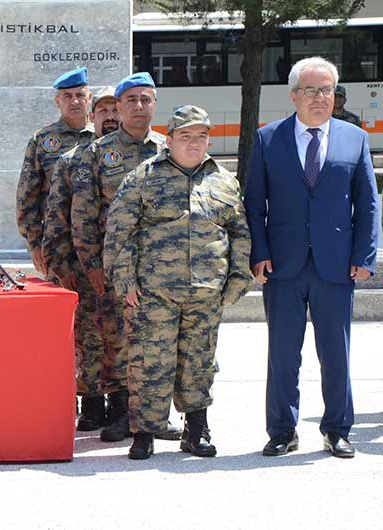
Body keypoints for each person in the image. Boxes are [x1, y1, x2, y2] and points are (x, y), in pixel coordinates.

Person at [244, 57, 380, 459]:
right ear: (293, 95)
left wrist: (364, 255)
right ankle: (282, 430)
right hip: (282, 266)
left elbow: (368, 203)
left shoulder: (354, 138)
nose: (320, 98)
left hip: (336, 265)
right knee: (283, 354)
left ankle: (337, 429)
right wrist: (259, 253)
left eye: (327, 90)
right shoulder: (269, 138)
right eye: (311, 90)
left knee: (336, 353)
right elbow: (254, 204)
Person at [104, 105, 252, 459]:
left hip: (206, 292)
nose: (194, 142)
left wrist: (236, 280)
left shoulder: (223, 180)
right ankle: (144, 433)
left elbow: (240, 233)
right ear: (168, 140)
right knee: (149, 362)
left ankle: (196, 431)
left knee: (198, 363)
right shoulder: (143, 177)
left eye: (201, 136)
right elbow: (119, 232)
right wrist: (125, 281)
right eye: (185, 136)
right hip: (153, 294)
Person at [71, 72, 181, 443]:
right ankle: (122, 413)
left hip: (162, 269)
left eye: (146, 100)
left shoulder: (169, 149)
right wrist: (93, 267)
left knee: (157, 343)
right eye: (131, 100)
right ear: (118, 107)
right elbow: (83, 216)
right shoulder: (97, 153)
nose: (139, 107)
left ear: (154, 105)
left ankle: (153, 416)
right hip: (116, 268)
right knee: (117, 343)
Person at [43, 86, 120, 430]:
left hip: (128, 268)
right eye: (102, 111)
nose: (110, 117)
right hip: (82, 268)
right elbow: (56, 217)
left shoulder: (150, 155)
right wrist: (58, 265)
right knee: (88, 339)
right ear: (92, 118)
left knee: (122, 339)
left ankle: (122, 404)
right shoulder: (71, 160)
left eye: (114, 110)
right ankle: (91, 405)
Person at [17, 66, 95, 278]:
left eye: (80, 95)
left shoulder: (104, 138)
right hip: (58, 244)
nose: (75, 101)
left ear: (89, 99)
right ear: (57, 101)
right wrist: (34, 243)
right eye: (67, 96)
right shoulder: (42, 140)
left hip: (96, 242)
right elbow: (27, 195)